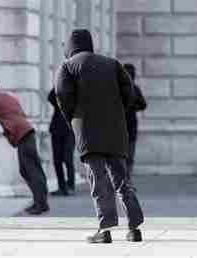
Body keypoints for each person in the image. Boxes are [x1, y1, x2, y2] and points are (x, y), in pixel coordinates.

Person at [54, 29, 144, 244]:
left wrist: (73, 119)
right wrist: (116, 112)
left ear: (70, 46)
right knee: (122, 179)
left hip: (87, 132)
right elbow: (129, 94)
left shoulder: (67, 66)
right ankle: (134, 228)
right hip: (116, 131)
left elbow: (62, 96)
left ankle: (105, 230)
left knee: (98, 180)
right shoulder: (112, 64)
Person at [0, 76, 49, 215]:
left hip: (23, 135)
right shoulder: (7, 97)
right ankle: (41, 201)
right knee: (29, 169)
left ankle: (41, 203)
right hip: (27, 133)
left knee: (30, 170)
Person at [48, 88, 76, 196]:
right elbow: (50, 97)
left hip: (69, 131)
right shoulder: (57, 95)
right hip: (56, 130)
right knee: (57, 161)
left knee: (68, 159)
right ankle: (61, 186)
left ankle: (70, 185)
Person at [123, 63, 147, 182]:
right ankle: (127, 181)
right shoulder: (134, 88)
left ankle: (124, 181)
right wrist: (133, 108)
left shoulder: (118, 88)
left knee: (122, 156)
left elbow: (143, 105)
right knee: (128, 157)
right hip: (129, 126)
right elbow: (143, 105)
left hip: (121, 126)